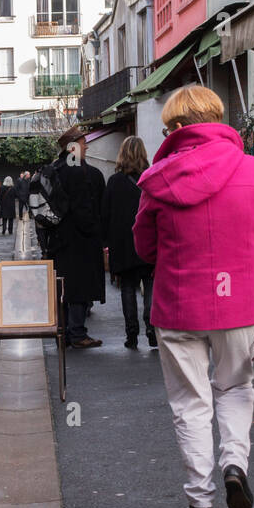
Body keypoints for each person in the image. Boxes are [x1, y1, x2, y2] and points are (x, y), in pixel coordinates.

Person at [133, 85, 254, 508]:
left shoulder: (158, 181)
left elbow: (144, 248)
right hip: (239, 304)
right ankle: (234, 466)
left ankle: (199, 501)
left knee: (190, 402)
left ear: (178, 128)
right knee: (236, 389)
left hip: (179, 305)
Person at [45, 126, 107, 348]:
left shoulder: (54, 169)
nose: (87, 146)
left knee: (62, 287)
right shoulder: (79, 171)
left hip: (57, 239)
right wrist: (94, 231)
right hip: (80, 240)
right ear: (72, 147)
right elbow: (84, 207)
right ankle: (78, 333)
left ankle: (62, 332)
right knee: (80, 286)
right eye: (83, 143)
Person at [102, 136, 156, 349]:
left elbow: (105, 214)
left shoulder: (114, 182)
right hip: (149, 242)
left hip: (122, 244)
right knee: (150, 285)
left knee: (127, 287)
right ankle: (151, 329)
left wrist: (105, 242)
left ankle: (131, 333)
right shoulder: (151, 179)